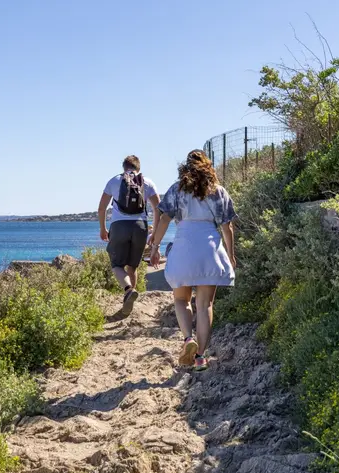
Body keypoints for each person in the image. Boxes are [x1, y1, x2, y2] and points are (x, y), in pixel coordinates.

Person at [150, 150, 237, 371]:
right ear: (208, 166)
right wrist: (231, 255)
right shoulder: (218, 192)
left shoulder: (177, 190)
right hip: (210, 249)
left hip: (183, 246)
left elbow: (163, 220)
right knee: (205, 304)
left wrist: (155, 247)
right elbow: (227, 227)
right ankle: (200, 357)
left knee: (181, 300)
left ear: (185, 168)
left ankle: (188, 339)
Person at [99, 155, 160, 315]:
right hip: (141, 227)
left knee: (117, 265)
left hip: (119, 226)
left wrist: (103, 228)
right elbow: (158, 209)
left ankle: (127, 290)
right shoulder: (147, 182)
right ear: (138, 168)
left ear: (124, 167)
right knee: (133, 266)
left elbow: (102, 208)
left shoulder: (114, 181)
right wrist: (155, 234)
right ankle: (130, 303)